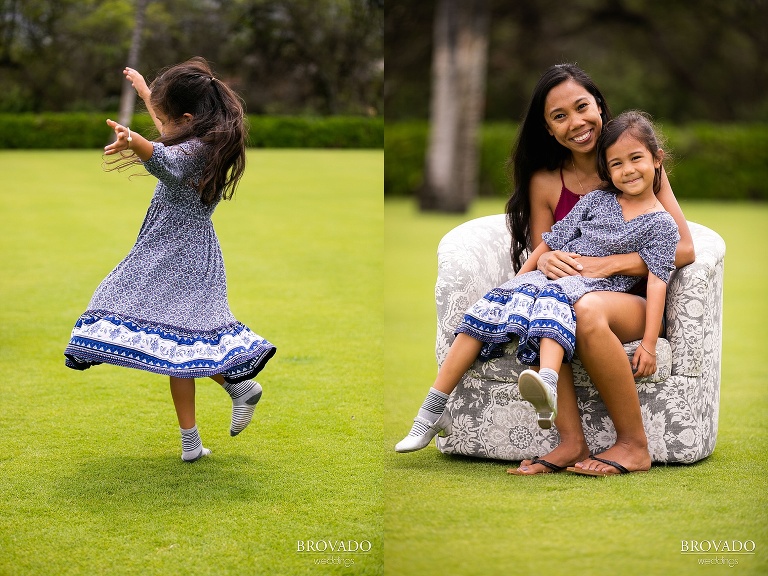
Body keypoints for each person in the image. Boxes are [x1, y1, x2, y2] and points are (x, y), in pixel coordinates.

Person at [395, 64, 695, 476]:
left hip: (628, 301)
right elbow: (546, 246)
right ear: (548, 129)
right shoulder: (546, 182)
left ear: (600, 107)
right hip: (569, 291)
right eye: (560, 116)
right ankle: (570, 441)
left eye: (582, 107)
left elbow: (684, 248)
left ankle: (633, 443)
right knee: (553, 306)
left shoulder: (637, 168)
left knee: (584, 307)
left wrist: (610, 264)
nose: (577, 123)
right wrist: (546, 259)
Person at [64, 58, 276, 462]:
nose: (159, 127)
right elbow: (167, 135)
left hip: (183, 255)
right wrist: (146, 92)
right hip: (169, 249)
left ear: (187, 117)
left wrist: (134, 140)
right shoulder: (198, 135)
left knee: (177, 344)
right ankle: (228, 399)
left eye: (163, 118)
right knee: (177, 347)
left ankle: (215, 413)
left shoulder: (197, 150)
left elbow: (165, 159)